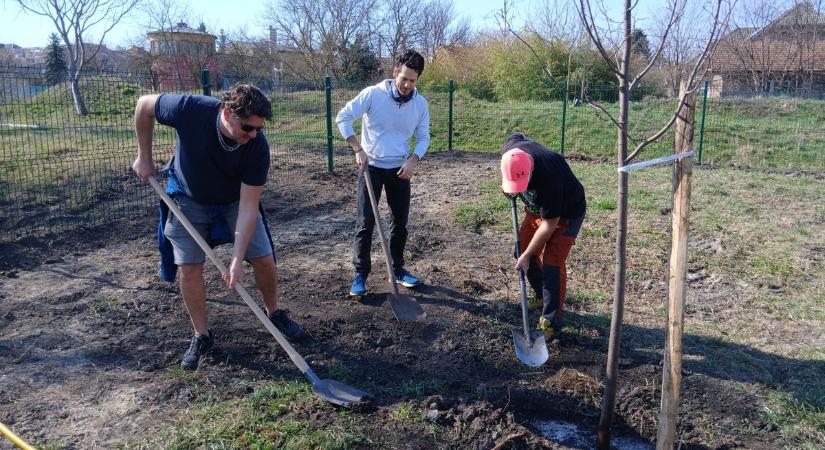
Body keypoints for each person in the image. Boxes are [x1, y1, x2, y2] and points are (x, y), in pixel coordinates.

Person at [132, 84, 305, 371]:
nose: (253, 136)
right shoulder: (190, 109)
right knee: (189, 267)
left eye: (258, 129)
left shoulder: (257, 147)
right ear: (227, 113)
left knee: (263, 258)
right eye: (248, 128)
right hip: (188, 197)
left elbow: (249, 208)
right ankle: (201, 335)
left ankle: (274, 313)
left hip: (234, 199)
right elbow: (143, 105)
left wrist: (237, 260)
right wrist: (144, 156)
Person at [336, 49, 430, 297]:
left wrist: (413, 160)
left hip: (400, 169)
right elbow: (343, 117)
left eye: (413, 80)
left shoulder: (420, 104)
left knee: (400, 224)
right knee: (365, 223)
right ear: (394, 73)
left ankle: (397, 270)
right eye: (404, 78)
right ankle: (360, 274)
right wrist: (357, 148)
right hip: (372, 168)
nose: (408, 85)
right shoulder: (373, 95)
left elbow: (424, 136)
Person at [500, 132, 586, 338]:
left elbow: (550, 225)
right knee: (520, 251)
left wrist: (529, 255)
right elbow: (517, 135)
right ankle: (540, 295)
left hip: (565, 214)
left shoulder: (550, 176)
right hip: (538, 210)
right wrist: (508, 186)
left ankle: (551, 320)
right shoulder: (510, 152)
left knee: (551, 265)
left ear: (531, 170)